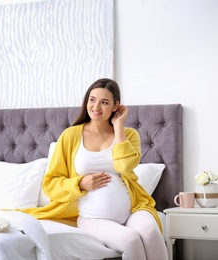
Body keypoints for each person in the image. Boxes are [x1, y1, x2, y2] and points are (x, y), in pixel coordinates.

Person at [23, 78, 168, 260]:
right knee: (131, 240)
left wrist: (118, 127)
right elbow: (50, 184)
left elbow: (125, 165)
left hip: (134, 210)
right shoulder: (70, 136)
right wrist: (80, 183)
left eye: (104, 102)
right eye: (92, 99)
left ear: (116, 106)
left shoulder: (129, 134)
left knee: (152, 233)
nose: (96, 106)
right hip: (93, 219)